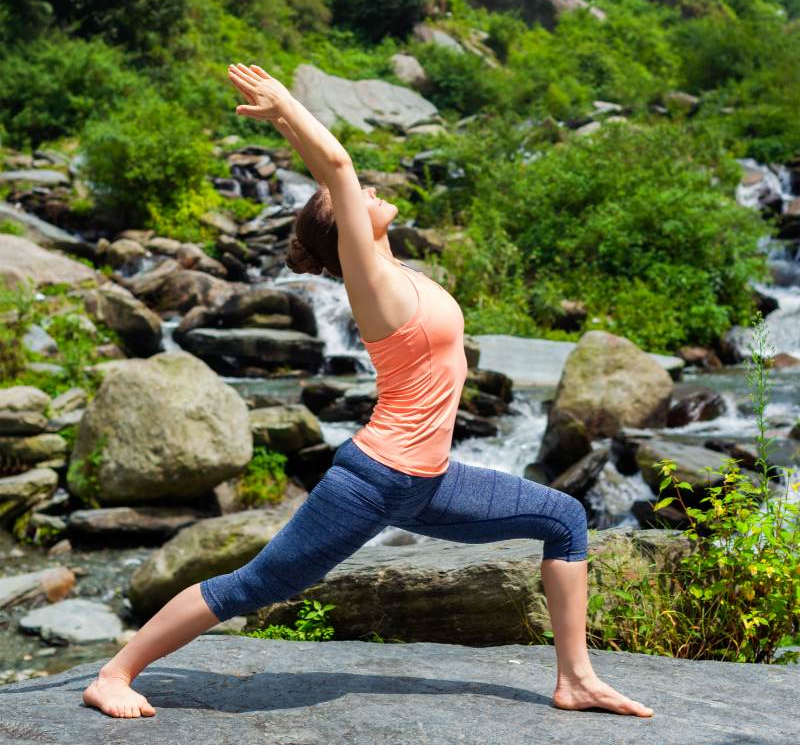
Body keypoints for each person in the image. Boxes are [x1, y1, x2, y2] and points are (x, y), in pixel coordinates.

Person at [82, 63, 654, 719]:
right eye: (356, 197)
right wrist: (286, 107)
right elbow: (337, 164)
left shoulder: (393, 268)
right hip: (376, 477)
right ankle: (115, 671)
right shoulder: (371, 284)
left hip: (429, 480)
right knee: (258, 583)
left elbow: (340, 181)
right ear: (348, 227)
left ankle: (576, 678)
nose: (373, 188)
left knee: (564, 519)